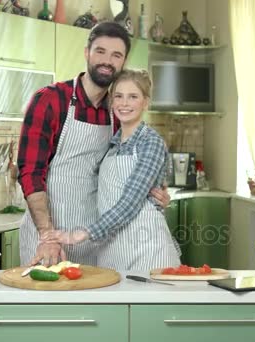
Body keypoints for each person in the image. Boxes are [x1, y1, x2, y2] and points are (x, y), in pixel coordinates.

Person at [17, 22, 169, 267]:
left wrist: (157, 193)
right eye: (100, 51)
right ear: (87, 52)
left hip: (94, 236)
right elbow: (30, 173)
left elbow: (132, 172)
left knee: (92, 303)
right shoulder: (51, 100)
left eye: (116, 55)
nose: (107, 61)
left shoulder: (117, 113)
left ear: (123, 61)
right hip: (48, 235)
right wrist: (48, 235)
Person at [41, 69, 181, 271]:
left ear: (145, 102)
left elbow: (130, 202)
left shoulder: (151, 142)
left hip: (148, 249)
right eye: (119, 96)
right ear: (111, 102)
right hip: (112, 250)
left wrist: (81, 234)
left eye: (133, 97)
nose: (124, 103)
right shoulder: (111, 145)